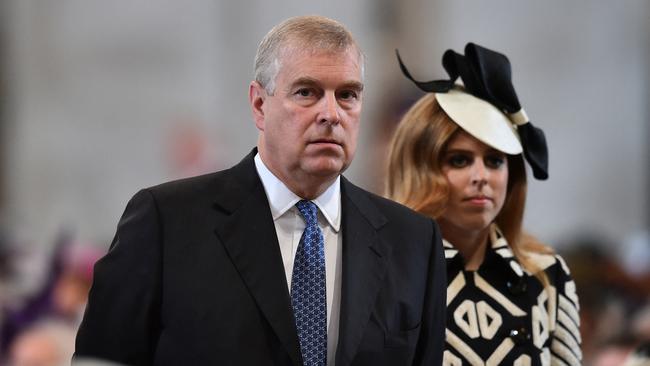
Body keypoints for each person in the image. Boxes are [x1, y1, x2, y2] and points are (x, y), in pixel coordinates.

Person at [74, 15, 446, 366]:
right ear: (258, 104)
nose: (331, 114)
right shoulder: (166, 223)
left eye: (347, 95)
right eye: (307, 92)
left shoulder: (413, 241)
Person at [386, 43, 582, 365]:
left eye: (494, 160)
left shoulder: (546, 276)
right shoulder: (391, 277)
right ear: (421, 169)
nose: (481, 176)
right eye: (459, 160)